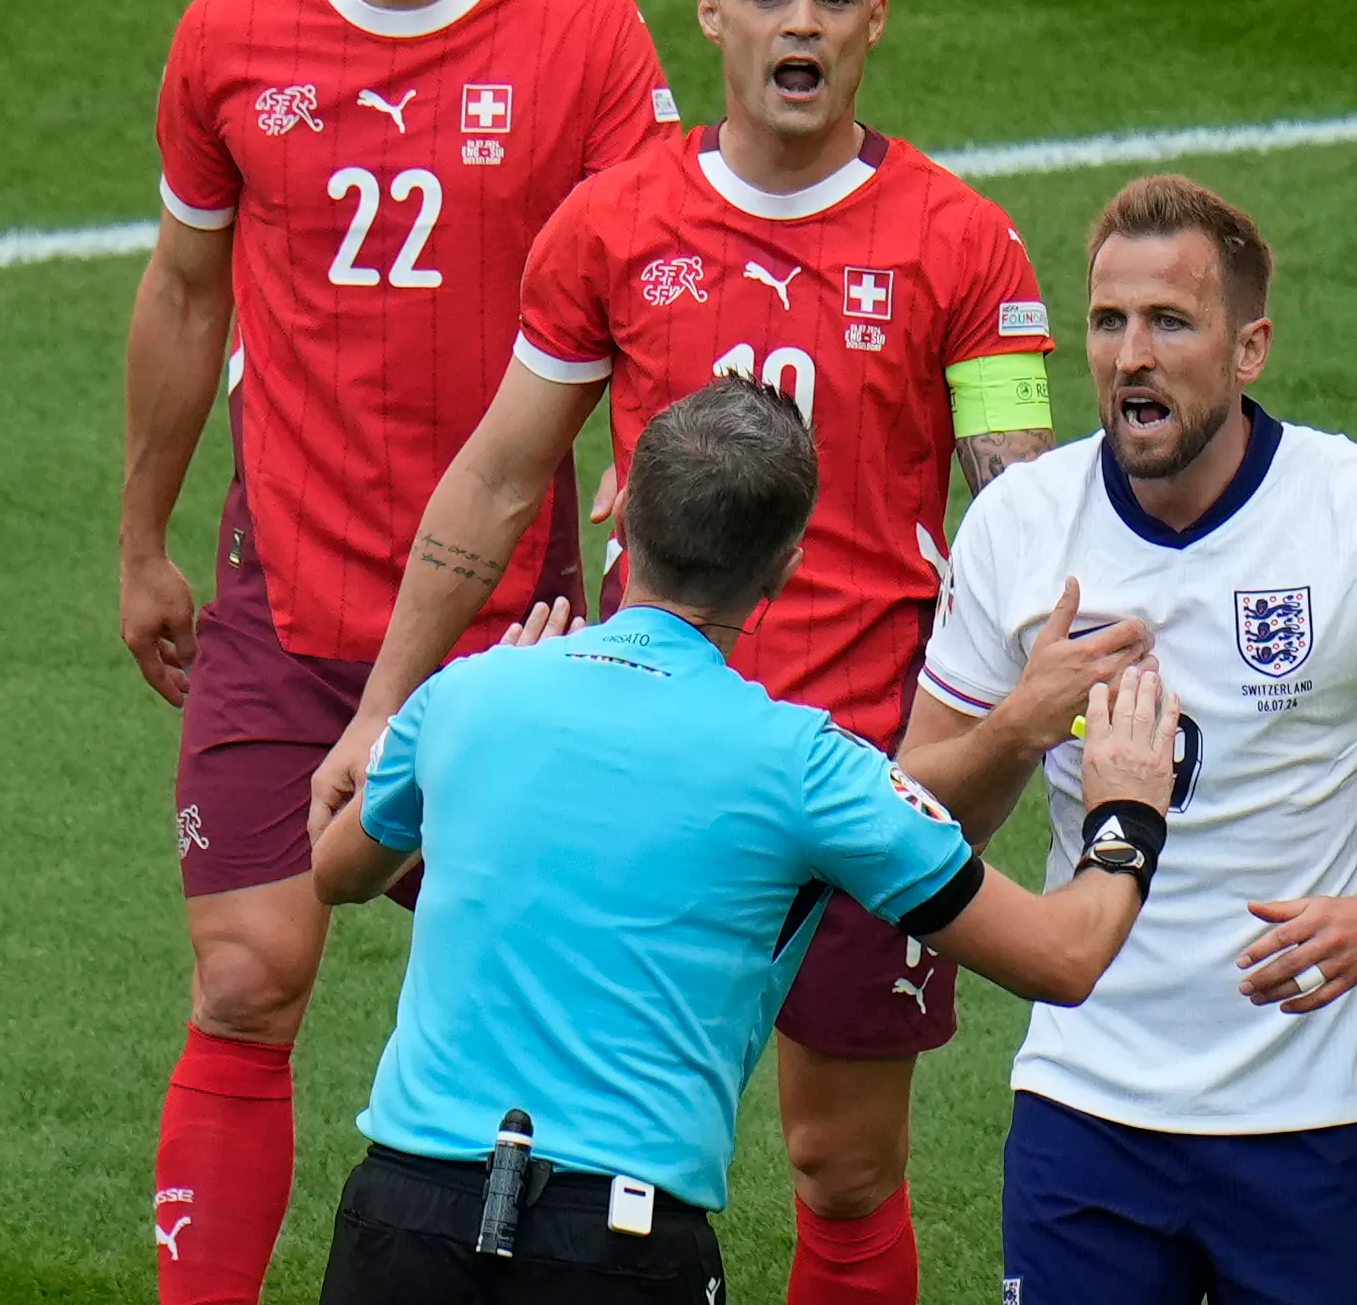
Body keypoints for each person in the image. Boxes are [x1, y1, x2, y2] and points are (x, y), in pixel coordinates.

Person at [310, 0, 1147, 1305]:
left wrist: (1036, 717)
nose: (800, 25)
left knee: (842, 1163)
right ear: (713, 16)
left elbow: (1014, 497)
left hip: (872, 766)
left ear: (875, 21)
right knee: (595, 1091)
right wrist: (383, 705)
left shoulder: (960, 239)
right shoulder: (610, 225)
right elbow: (503, 471)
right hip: (656, 748)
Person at [119, 0, 677, 1304]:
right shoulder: (229, 39)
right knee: (246, 973)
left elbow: (649, 286)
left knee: (522, 1005)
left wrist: (648, 538)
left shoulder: (583, 34)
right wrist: (143, 537)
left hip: (513, 617)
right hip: (280, 592)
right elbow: (182, 291)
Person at [310, 375, 1181, 1304]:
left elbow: (337, 870)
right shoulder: (809, 766)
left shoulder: (469, 692)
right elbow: (1066, 954)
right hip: (619, 1250)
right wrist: (1127, 811)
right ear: (785, 570)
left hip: (398, 1223)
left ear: (623, 517)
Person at [905, 175, 1357, 1304]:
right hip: (1086, 1100)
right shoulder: (1020, 525)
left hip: (1311, 1111)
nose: (1130, 357)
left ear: (1250, 347)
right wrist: (1022, 718)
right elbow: (915, 815)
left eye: (1171, 321)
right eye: (1109, 323)